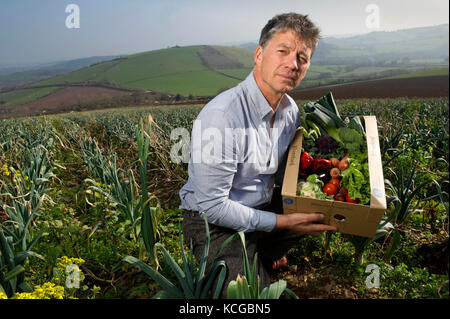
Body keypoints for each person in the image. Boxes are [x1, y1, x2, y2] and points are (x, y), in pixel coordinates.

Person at [179, 12, 337, 297]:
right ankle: (249, 259)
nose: (293, 64)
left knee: (315, 210)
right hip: (211, 224)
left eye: (303, 57)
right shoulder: (222, 116)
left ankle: (259, 252)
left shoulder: (290, 110)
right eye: (283, 51)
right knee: (254, 297)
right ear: (259, 54)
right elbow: (213, 205)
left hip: (258, 207)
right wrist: (283, 222)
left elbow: (280, 173)